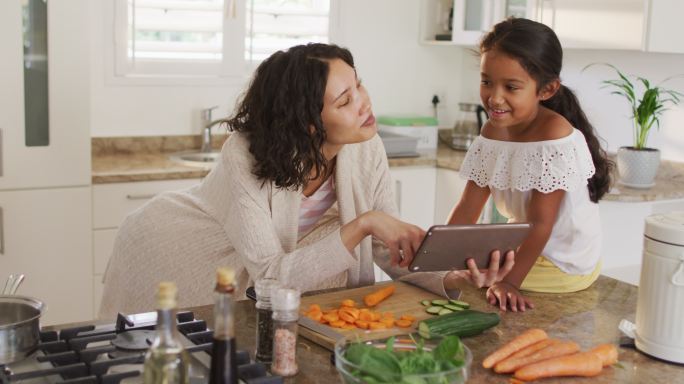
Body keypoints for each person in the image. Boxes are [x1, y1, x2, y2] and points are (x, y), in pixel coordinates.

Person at [99, 43, 513, 318]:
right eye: (344, 99)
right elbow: (270, 276)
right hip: (177, 246)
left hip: (263, 278)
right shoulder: (244, 153)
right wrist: (364, 223)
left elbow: (390, 251)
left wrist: (450, 278)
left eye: (358, 84)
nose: (364, 102)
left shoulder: (365, 145)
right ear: (308, 123)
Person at [448, 18, 613, 313]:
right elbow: (467, 206)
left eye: (511, 87)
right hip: (527, 245)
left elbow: (541, 224)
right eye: (487, 82)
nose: (494, 97)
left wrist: (509, 283)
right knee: (456, 273)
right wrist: (440, 255)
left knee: (473, 284)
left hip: (563, 260)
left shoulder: (555, 137)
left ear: (546, 90)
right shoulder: (492, 132)